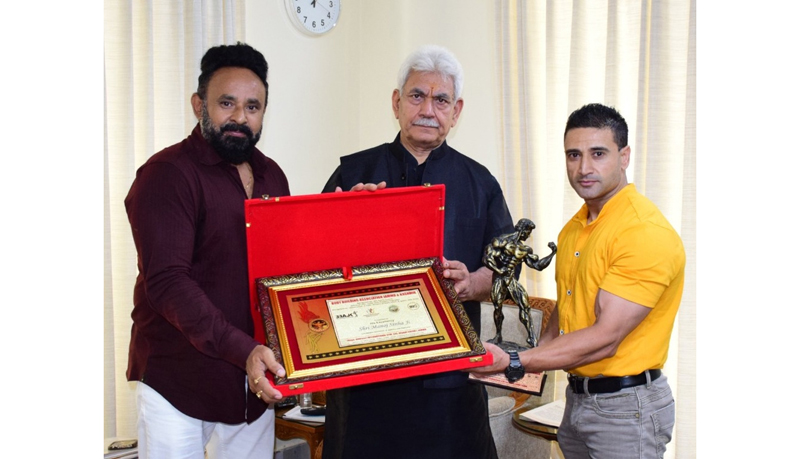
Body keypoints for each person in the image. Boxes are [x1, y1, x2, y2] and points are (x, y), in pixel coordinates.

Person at [320, 44, 515, 459]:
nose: (428, 109)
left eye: (441, 99)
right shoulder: (353, 175)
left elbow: (506, 272)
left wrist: (471, 282)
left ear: (456, 111)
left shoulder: (480, 183)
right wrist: (346, 222)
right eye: (417, 96)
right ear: (396, 102)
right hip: (364, 381)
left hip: (449, 384)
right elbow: (312, 267)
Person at [473, 103, 685, 458]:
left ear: (624, 157)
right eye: (574, 155)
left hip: (626, 408)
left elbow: (606, 338)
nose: (584, 168)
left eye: (598, 153)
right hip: (577, 399)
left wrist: (516, 361)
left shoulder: (642, 231)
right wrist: (528, 359)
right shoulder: (575, 227)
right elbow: (568, 307)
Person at [124, 42, 288, 459]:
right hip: (179, 384)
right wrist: (244, 350)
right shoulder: (167, 175)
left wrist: (350, 215)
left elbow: (285, 271)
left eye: (253, 107)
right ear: (199, 105)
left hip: (253, 386)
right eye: (226, 103)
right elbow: (168, 283)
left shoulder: (273, 177)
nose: (240, 118)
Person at [483, 218, 556, 348]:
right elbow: (487, 258)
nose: (528, 236)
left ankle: (532, 339)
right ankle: (498, 335)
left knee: (525, 306)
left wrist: (552, 253)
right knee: (498, 308)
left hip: (511, 281)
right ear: (523, 229)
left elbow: (538, 265)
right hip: (500, 279)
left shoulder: (524, 249)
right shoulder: (501, 241)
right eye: (528, 232)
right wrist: (498, 270)